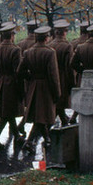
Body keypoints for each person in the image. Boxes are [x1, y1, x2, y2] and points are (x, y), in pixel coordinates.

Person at [17, 25, 61, 154]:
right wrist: (57, 93)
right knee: (42, 116)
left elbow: (20, 72)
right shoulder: (50, 52)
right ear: (46, 38)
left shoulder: (28, 52)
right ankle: (30, 141)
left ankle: (45, 138)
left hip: (33, 87)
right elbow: (53, 75)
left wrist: (31, 77)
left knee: (39, 115)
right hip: (46, 88)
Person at [0, 21, 24, 152]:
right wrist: (21, 88)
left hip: (0, 82)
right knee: (7, 113)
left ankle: (16, 135)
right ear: (11, 35)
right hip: (11, 83)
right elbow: (18, 71)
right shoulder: (16, 50)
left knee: (7, 111)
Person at [51, 20, 75, 127]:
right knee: (60, 103)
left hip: (52, 77)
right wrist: (72, 83)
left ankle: (64, 121)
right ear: (64, 32)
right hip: (63, 78)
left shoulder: (49, 45)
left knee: (57, 104)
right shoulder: (67, 46)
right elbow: (69, 67)